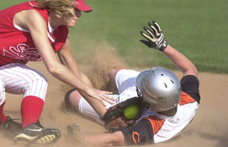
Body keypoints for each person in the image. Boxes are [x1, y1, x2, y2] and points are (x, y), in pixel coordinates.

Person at [0, 0, 113, 145]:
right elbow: (54, 67)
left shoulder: (62, 35)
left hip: (2, 67)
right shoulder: (33, 15)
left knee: (37, 80)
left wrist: (106, 115)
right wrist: (88, 89)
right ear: (59, 5)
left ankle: (30, 128)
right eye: (75, 9)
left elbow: (76, 75)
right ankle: (1, 122)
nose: (79, 14)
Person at [65, 21, 200, 146]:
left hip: (135, 109)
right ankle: (109, 92)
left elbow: (117, 138)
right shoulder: (188, 99)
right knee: (113, 73)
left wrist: (81, 139)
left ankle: (109, 100)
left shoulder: (150, 126)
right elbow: (190, 69)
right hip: (151, 100)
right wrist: (163, 45)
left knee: (73, 96)